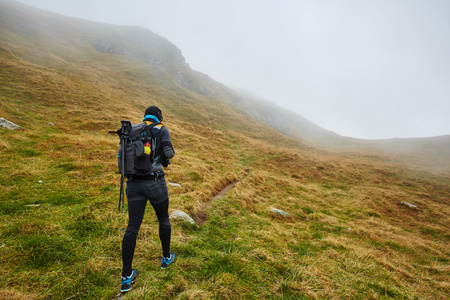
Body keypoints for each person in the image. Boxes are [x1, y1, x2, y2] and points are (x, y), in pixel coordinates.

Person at [121, 106, 176, 293]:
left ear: (145, 116)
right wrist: (164, 157)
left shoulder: (133, 130)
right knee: (163, 219)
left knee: (132, 227)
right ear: (159, 116)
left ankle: (126, 276)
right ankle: (166, 258)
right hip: (154, 182)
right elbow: (169, 153)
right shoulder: (160, 128)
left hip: (133, 183)